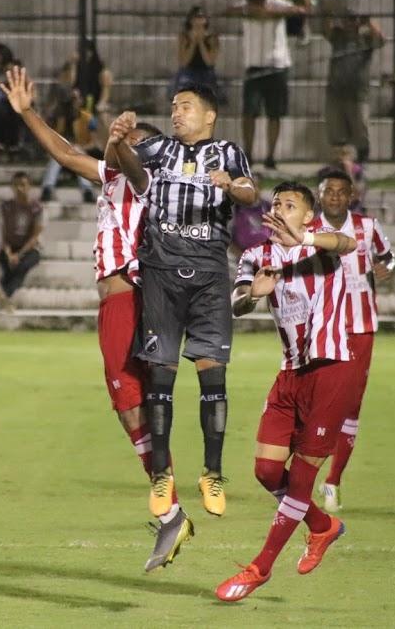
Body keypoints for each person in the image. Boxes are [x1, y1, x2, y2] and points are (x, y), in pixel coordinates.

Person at [0, 66, 192, 572]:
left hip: (132, 300)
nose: (129, 147)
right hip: (119, 304)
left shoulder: (151, 182)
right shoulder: (110, 178)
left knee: (132, 404)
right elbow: (65, 152)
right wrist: (26, 113)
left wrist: (121, 140)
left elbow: (131, 167)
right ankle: (170, 509)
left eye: (137, 142)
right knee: (135, 406)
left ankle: (170, 510)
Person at [111, 83, 259, 520]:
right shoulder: (157, 148)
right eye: (174, 107)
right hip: (161, 272)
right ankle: (161, 474)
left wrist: (231, 186)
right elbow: (129, 171)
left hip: (210, 275)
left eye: (186, 106)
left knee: (213, 374)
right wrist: (118, 140)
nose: (177, 113)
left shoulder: (229, 153)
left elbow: (251, 193)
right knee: (162, 374)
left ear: (209, 115)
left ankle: (211, 473)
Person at [215, 181, 356, 602]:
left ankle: (260, 568)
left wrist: (306, 237)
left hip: (331, 371)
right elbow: (237, 299)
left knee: (300, 480)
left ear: (308, 216)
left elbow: (347, 242)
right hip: (290, 374)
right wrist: (251, 297)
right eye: (275, 203)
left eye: (290, 205)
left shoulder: (320, 248)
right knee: (266, 471)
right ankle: (322, 525)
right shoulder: (256, 255)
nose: (279, 209)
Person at [309, 170, 395, 512]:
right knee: (314, 400)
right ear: (319, 196)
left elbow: (387, 256)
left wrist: (386, 268)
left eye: (340, 192)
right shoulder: (308, 230)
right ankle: (300, 472)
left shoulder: (368, 227)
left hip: (359, 328)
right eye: (328, 191)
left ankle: (332, 481)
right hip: (319, 328)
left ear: (351, 195)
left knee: (351, 405)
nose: (334, 196)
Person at [224, 0, 305, 170]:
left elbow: (299, 10)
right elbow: (228, 10)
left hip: (277, 65)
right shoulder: (245, 8)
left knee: (274, 114)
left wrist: (271, 13)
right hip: (254, 66)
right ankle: (249, 154)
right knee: (249, 113)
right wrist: (251, 12)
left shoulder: (276, 2)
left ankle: (271, 155)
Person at [323, 11, 384, 163]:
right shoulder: (338, 36)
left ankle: (362, 163)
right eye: (347, 20)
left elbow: (381, 39)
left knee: (361, 130)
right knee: (336, 132)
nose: (350, 23)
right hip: (335, 91)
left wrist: (368, 22)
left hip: (358, 92)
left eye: (353, 20)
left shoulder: (366, 39)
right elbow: (326, 29)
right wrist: (331, 15)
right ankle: (340, 164)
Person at [39, 82, 98, 204]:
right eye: (71, 99)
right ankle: (48, 188)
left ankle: (87, 190)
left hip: (81, 156)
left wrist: (78, 147)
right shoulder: (60, 118)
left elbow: (93, 144)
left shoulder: (88, 118)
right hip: (62, 157)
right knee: (57, 155)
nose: (73, 102)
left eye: (75, 99)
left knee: (76, 152)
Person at [0, 172, 43, 311]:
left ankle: (3, 292)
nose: (19, 188)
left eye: (22, 185)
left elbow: (35, 237)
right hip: (10, 247)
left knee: (23, 265)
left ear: (29, 187)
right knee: (5, 261)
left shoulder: (36, 208)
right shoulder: (6, 207)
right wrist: (9, 254)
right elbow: (4, 234)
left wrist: (18, 255)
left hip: (29, 249)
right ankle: (6, 300)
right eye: (16, 185)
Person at [173, 6, 219, 95]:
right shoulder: (183, 37)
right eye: (196, 17)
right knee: (185, 84)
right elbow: (183, 62)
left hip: (206, 71)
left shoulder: (212, 38)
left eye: (201, 16)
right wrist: (193, 42)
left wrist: (201, 42)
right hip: (188, 71)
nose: (199, 19)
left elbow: (209, 62)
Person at [317, 143, 366, 212]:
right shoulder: (327, 172)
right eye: (342, 155)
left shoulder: (357, 171)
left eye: (346, 155)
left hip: (352, 209)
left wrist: (349, 172)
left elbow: (357, 194)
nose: (343, 159)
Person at [230, 177, 269, 257]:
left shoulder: (268, 206)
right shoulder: (236, 208)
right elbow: (229, 235)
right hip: (242, 256)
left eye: (255, 187)